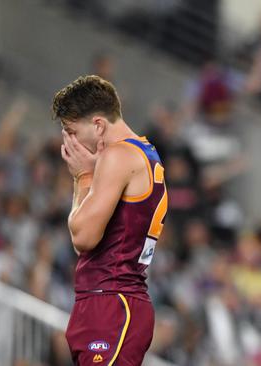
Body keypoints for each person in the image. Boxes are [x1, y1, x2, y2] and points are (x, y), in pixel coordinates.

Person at [52, 75, 168, 365]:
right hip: (113, 300)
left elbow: (82, 239)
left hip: (113, 302)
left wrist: (83, 177)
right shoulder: (143, 152)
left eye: (71, 130)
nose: (69, 141)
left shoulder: (118, 156)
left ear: (98, 125)